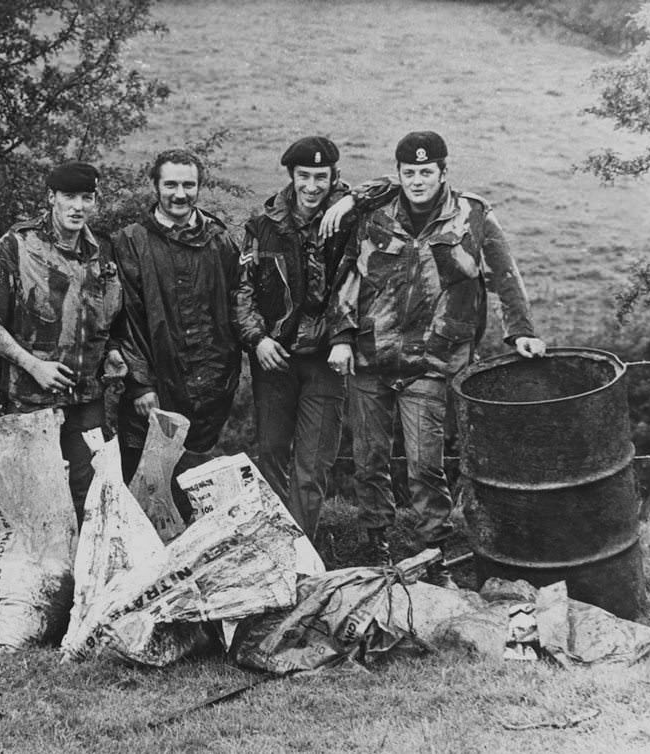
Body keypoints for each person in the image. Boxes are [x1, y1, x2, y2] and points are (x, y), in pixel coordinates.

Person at [322, 131, 546, 587]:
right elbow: (348, 277)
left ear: (444, 172)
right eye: (410, 173)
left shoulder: (472, 216)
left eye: (427, 172)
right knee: (369, 461)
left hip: (432, 360)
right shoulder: (375, 215)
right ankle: (376, 545)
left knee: (426, 465)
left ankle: (433, 553)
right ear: (399, 174)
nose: (418, 180)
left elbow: (505, 274)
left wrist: (520, 331)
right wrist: (341, 337)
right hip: (371, 357)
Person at [0, 161, 125, 518]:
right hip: (32, 404)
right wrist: (32, 364)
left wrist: (112, 351)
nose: (78, 206)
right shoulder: (17, 246)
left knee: (91, 498)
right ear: (51, 197)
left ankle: (81, 575)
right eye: (69, 197)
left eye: (87, 197)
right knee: (35, 502)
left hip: (87, 400)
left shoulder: (104, 253)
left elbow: (110, 319)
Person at [233, 136, 354, 540]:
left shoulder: (352, 217)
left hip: (325, 360)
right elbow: (243, 292)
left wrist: (343, 338)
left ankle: (302, 552)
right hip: (275, 359)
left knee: (312, 465)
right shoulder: (263, 226)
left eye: (322, 177)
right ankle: (273, 544)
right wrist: (258, 340)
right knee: (270, 455)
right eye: (305, 176)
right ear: (291, 176)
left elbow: (391, 187)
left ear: (334, 176)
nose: (313, 186)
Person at [113, 149, 241, 521]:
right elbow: (125, 318)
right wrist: (139, 384)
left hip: (211, 391)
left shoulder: (220, 240)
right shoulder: (131, 241)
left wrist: (224, 379)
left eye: (189, 184)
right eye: (171, 184)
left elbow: (235, 306)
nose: (180, 194)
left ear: (200, 186)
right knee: (147, 497)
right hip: (155, 391)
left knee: (198, 499)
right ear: (155, 186)